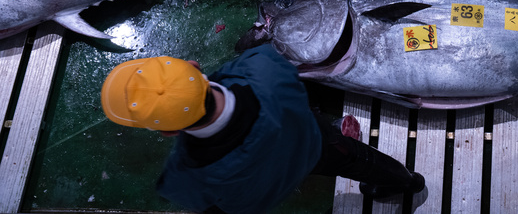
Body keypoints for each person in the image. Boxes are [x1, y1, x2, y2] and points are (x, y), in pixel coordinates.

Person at [100, 44, 425, 214]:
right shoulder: (263, 65)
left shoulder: (186, 178)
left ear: (168, 133)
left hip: (276, 180)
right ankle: (408, 182)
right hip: (311, 141)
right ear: (195, 67)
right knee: (354, 158)